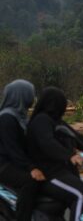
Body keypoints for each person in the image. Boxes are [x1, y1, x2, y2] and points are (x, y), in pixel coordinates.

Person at [26, 86, 83, 221]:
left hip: (60, 172)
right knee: (82, 194)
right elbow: (47, 143)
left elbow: (79, 138)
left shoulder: (56, 122)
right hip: (48, 174)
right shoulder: (41, 120)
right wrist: (69, 156)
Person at [0, 79, 46, 221]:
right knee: (30, 181)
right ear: (21, 95)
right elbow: (13, 149)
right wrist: (31, 168)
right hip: (4, 164)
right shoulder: (7, 117)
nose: (32, 97)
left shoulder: (21, 116)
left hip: (15, 162)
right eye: (30, 94)